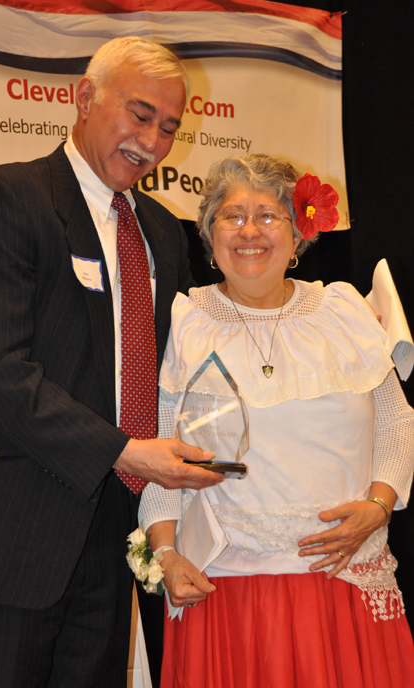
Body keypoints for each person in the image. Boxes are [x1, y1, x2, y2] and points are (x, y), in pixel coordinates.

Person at [0, 37, 223, 688]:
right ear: (84, 98)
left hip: (110, 544)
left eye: (169, 127)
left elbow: (173, 375)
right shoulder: (8, 200)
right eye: (140, 114)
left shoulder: (163, 232)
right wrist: (127, 452)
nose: (154, 141)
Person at [139, 154, 414, 687]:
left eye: (267, 215)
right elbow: (159, 453)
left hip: (343, 581)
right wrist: (166, 552)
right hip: (226, 591)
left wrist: (378, 507)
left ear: (297, 234)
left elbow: (396, 423)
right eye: (232, 215)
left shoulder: (344, 310)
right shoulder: (185, 319)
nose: (249, 231)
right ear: (209, 235)